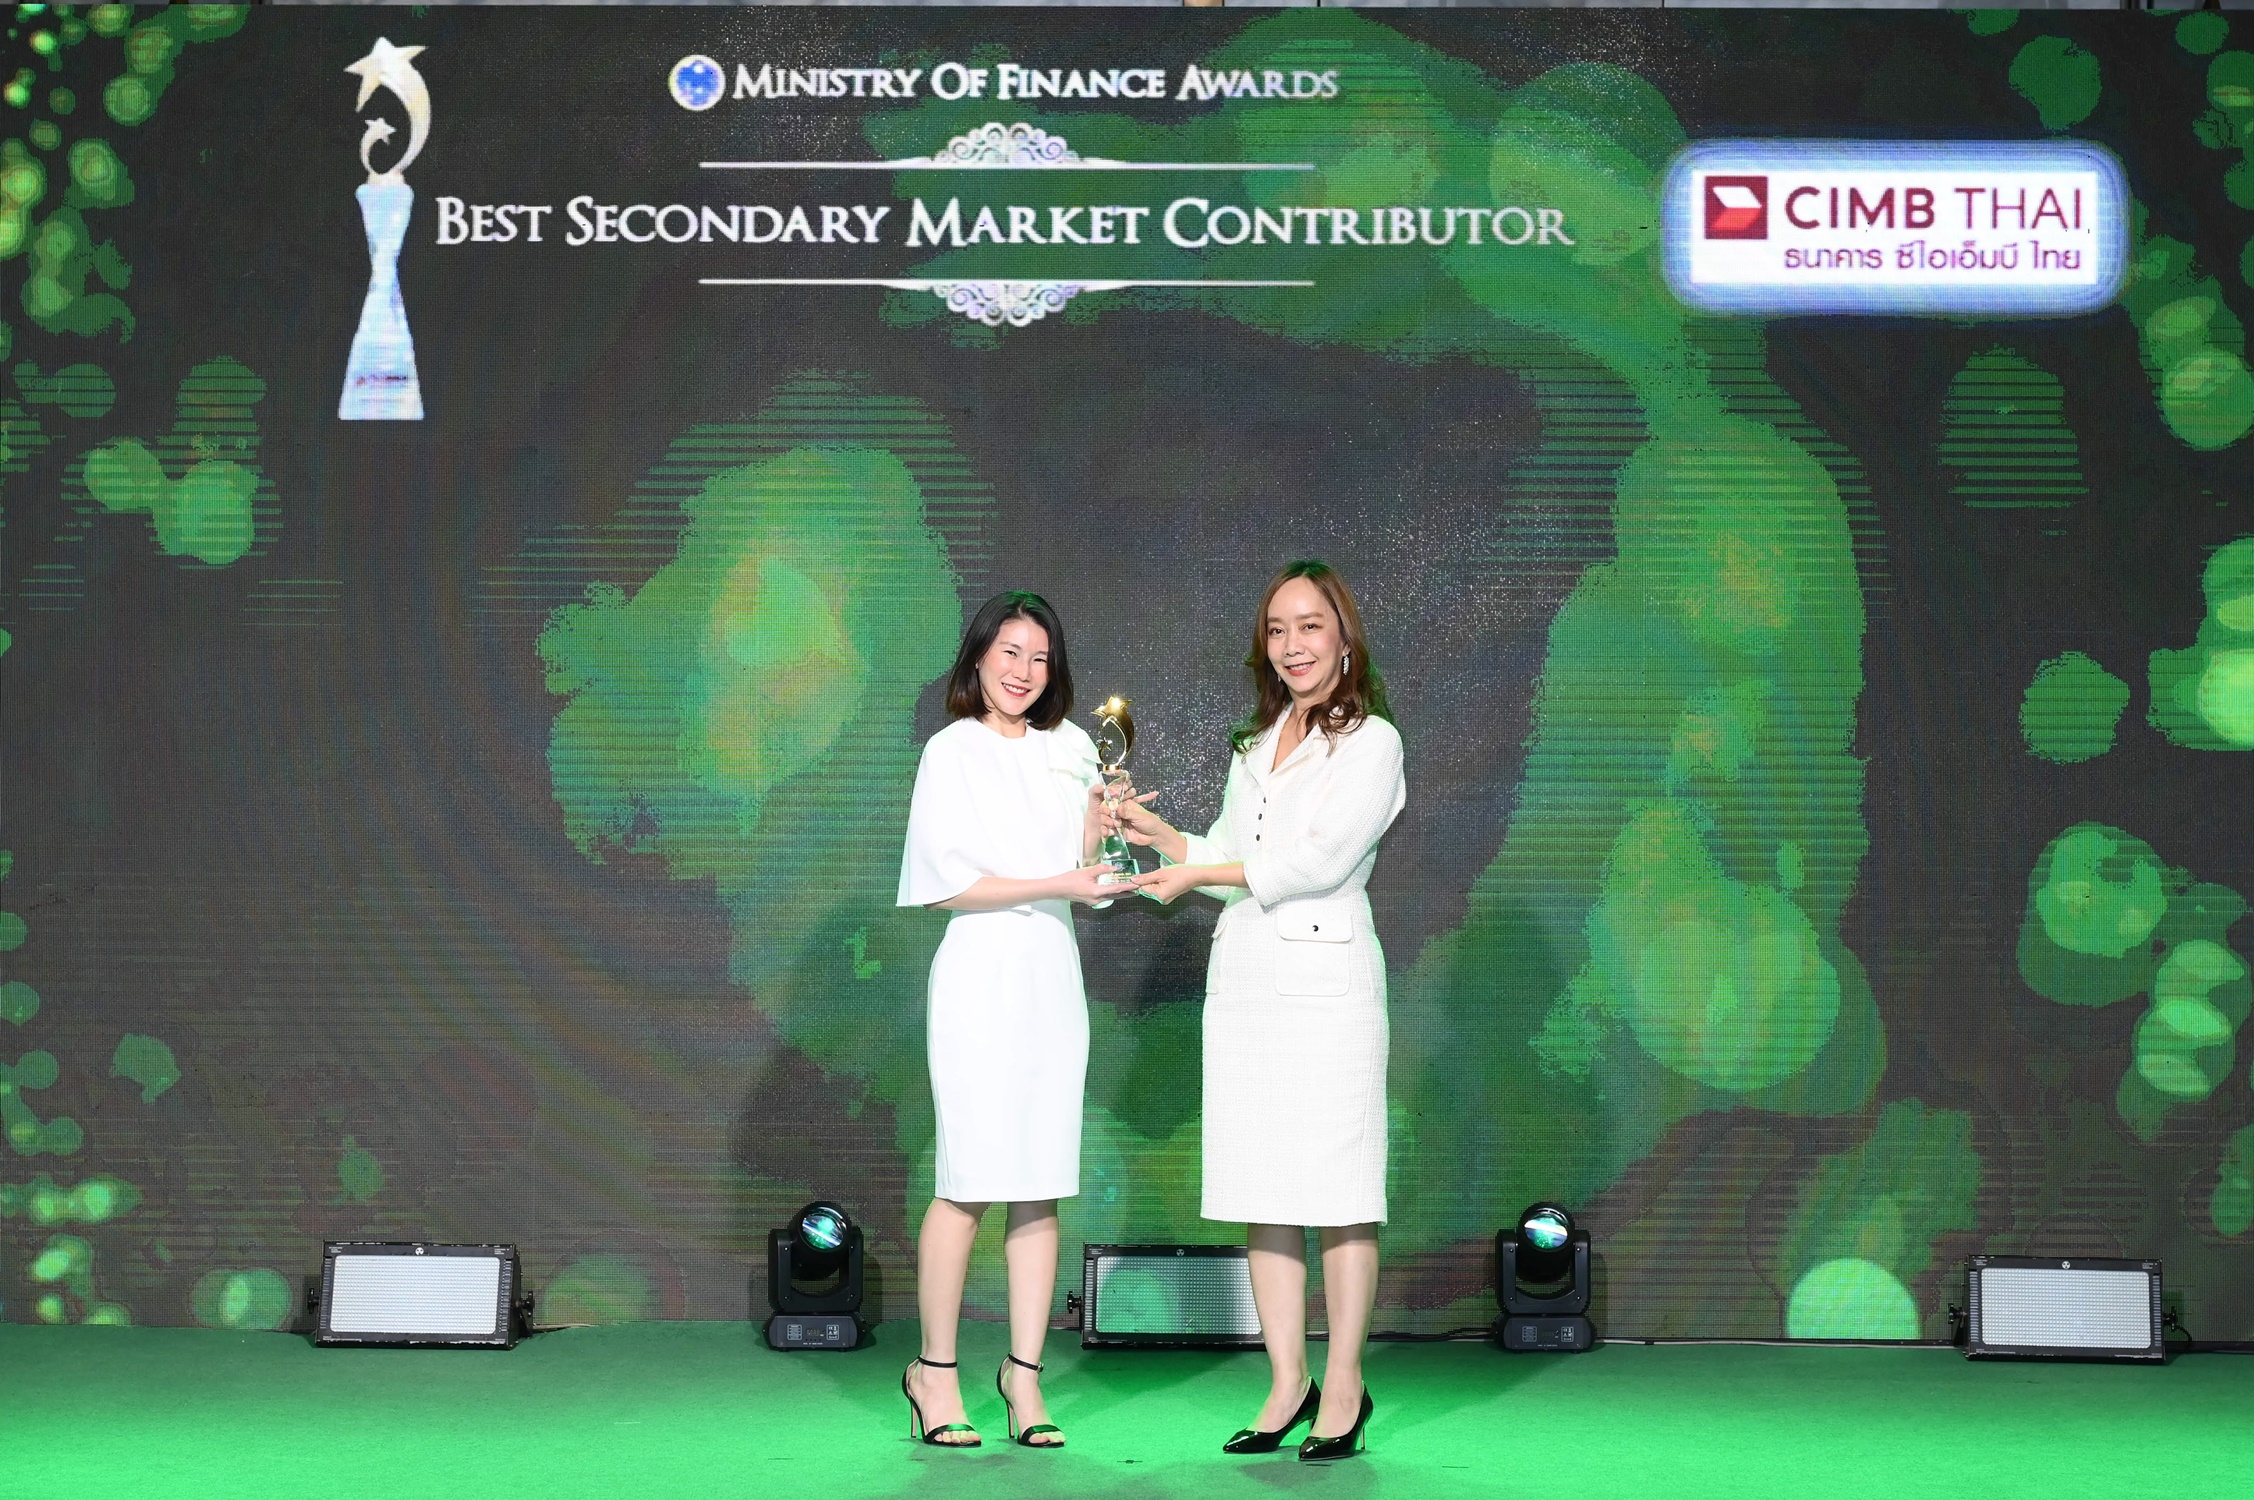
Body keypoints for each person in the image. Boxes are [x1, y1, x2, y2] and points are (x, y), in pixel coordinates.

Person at [1122, 560, 1405, 1463]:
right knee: (1265, 1191)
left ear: (1344, 637)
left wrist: (1201, 868)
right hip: (1248, 987)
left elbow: (1315, 863)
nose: (1293, 645)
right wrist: (1165, 842)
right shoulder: (1254, 744)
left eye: (1310, 626)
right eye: (1278, 630)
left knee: (1340, 1196)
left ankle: (1345, 1386)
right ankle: (1288, 1383)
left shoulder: (1374, 743)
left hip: (1328, 994)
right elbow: (1228, 858)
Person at [895, 590, 1125, 1450]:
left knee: (1039, 1182)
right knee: (968, 1181)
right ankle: (935, 1373)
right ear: (979, 657)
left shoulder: (1074, 750)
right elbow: (945, 886)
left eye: (1040, 658)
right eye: (1010, 652)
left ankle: (1024, 1380)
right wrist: (1058, 882)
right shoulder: (950, 751)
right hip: (978, 978)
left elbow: (1093, 885)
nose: (1024, 672)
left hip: (1051, 979)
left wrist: (1100, 834)